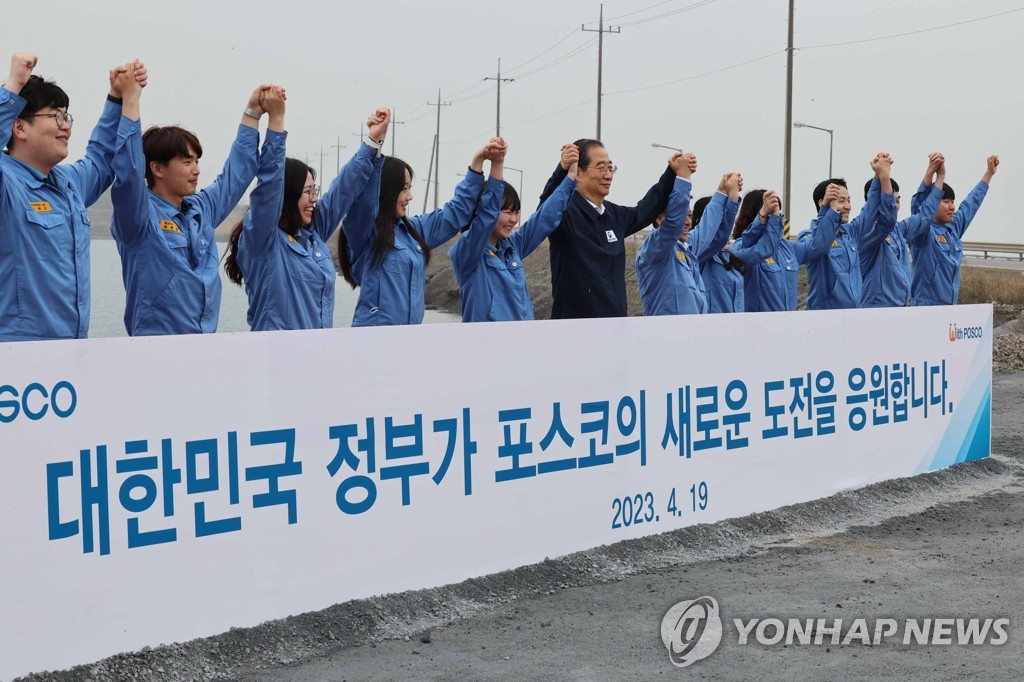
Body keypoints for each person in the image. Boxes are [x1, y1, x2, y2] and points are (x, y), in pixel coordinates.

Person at [110, 67, 266, 336]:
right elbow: (128, 173)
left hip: (204, 347)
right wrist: (130, 100)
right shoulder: (138, 217)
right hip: (155, 351)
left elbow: (236, 175)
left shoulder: (200, 210)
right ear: (157, 169)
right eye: (186, 162)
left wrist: (252, 112)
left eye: (196, 161)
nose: (196, 170)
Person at [0, 52, 145, 341]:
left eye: (66, 116)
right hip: (16, 361)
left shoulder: (67, 184)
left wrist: (117, 97)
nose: (65, 125)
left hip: (70, 355)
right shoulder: (8, 185)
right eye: (55, 115)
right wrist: (12, 86)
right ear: (19, 126)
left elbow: (101, 158)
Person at [223, 100, 388, 331]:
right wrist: (276, 122)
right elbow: (268, 190)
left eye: (315, 191)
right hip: (276, 359)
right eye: (307, 192)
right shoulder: (262, 240)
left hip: (316, 359)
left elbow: (343, 190)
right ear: (286, 196)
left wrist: (373, 142)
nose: (314, 199)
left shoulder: (312, 234)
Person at [338, 138, 507, 326]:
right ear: (384, 190)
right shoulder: (364, 232)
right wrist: (374, 143)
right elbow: (364, 202)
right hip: (373, 344)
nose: (409, 197)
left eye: (409, 188)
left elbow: (456, 212)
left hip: (410, 342)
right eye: (403, 189)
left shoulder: (414, 231)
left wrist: (478, 162)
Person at [538, 138, 676, 318]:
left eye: (610, 168)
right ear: (578, 173)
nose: (608, 175)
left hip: (614, 327)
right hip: (574, 331)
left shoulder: (613, 214)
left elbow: (645, 210)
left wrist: (671, 172)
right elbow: (545, 212)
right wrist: (561, 170)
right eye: (601, 168)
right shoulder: (565, 213)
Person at [448, 142, 578, 322]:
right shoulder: (467, 253)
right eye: (507, 212)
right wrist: (497, 164)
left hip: (521, 344)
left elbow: (543, 219)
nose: (513, 219)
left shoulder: (512, 247)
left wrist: (570, 177)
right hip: (486, 346)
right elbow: (487, 215)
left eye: (516, 212)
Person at [636, 157, 742, 316]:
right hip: (666, 336)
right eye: (681, 216)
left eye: (690, 216)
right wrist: (683, 178)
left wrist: (724, 193)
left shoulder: (687, 248)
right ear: (658, 219)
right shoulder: (654, 249)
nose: (687, 223)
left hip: (694, 334)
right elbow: (672, 226)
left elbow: (711, 231)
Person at [796, 154, 888, 310]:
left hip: (853, 316)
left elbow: (870, 209)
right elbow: (818, 246)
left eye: (849, 200)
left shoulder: (850, 232)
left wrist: (878, 175)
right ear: (822, 202)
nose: (848, 206)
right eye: (841, 201)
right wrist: (829, 213)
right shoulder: (807, 236)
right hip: (824, 319)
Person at [908, 154, 999, 306]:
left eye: (952, 201)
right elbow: (918, 207)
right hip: (925, 311)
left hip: (950, 310)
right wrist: (931, 173)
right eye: (946, 201)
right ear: (932, 204)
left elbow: (971, 202)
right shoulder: (923, 232)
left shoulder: (953, 228)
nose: (952, 206)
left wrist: (989, 173)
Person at [858, 153, 945, 308]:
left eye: (897, 200)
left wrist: (935, 175)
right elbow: (887, 219)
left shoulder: (899, 230)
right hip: (874, 314)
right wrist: (883, 177)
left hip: (901, 310)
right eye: (891, 201)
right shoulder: (866, 233)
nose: (895, 206)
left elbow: (924, 215)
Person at [731, 188, 829, 312]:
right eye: (770, 214)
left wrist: (826, 211)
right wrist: (762, 217)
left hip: (787, 326)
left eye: (778, 214)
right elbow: (760, 250)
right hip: (757, 327)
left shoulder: (788, 247)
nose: (776, 219)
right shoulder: (740, 246)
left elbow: (819, 245)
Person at [694, 188, 745, 314]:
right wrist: (732, 199)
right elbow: (717, 239)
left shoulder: (728, 256)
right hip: (710, 330)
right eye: (719, 218)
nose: (726, 225)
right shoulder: (697, 254)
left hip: (735, 328)